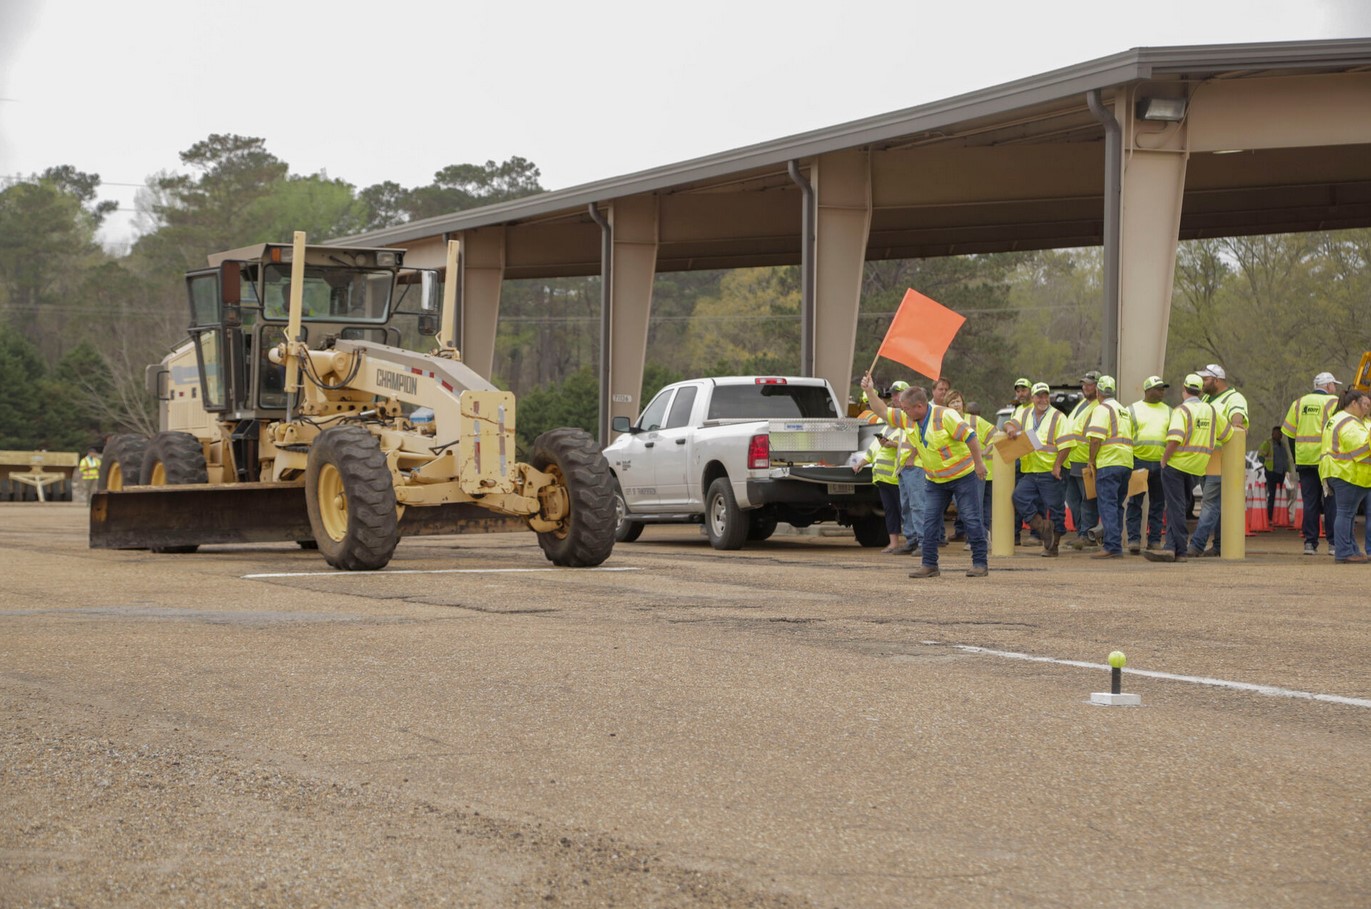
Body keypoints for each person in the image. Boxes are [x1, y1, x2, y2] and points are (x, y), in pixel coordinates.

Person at [860, 375, 989, 578]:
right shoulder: (908, 418)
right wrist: (869, 391)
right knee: (929, 521)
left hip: (963, 476)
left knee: (971, 518)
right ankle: (929, 565)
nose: (903, 412)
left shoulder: (945, 416)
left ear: (919, 406)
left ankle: (980, 563)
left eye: (906, 409)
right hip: (935, 480)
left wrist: (979, 464)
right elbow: (882, 411)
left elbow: (971, 437)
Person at [1142, 373, 1234, 563]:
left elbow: (1175, 438)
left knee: (1175, 507)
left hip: (1176, 464)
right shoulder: (1212, 411)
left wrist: (1164, 459)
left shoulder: (1181, 411)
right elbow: (1227, 434)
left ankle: (1181, 550)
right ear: (1200, 391)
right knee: (1177, 506)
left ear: (1184, 389)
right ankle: (1170, 548)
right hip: (1196, 467)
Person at [1187, 364, 1248, 557]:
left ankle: (1196, 545)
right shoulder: (1205, 399)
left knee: (1210, 503)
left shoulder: (1234, 398)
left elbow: (1237, 417)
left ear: (1217, 380)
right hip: (1206, 459)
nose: (1202, 383)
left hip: (1222, 459)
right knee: (1217, 505)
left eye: (1205, 379)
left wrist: (1236, 423)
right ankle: (1220, 545)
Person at [1008, 382, 1072, 557]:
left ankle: (1052, 547)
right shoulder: (1025, 413)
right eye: (1039, 396)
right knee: (1019, 496)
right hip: (1031, 470)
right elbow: (1011, 423)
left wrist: (1057, 465)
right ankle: (1043, 527)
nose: (1043, 399)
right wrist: (1010, 428)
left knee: (1055, 508)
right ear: (1033, 398)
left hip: (1051, 471)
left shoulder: (1058, 417)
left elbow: (1067, 445)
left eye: (1046, 396)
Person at [1283, 371, 1341, 555]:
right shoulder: (1334, 402)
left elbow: (1289, 434)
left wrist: (1296, 458)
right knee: (1331, 502)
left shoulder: (1298, 403)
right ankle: (1333, 544)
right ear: (1328, 385)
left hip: (1304, 460)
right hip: (1326, 460)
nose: (1335, 388)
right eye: (1334, 385)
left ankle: (1310, 543)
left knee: (1310, 503)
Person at [1083, 376, 1134, 558]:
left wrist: (1091, 460)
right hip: (1126, 462)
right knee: (1117, 505)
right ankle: (1115, 545)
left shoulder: (1101, 409)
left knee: (1107, 505)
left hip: (1109, 462)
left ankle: (1112, 546)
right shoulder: (1124, 410)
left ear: (1098, 392)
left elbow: (1095, 439)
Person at [1319, 388, 1371, 564]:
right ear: (1354, 403)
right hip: (1346, 473)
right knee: (1345, 513)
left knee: (1347, 513)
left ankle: (1351, 549)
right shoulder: (1349, 423)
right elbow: (1360, 450)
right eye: (1364, 405)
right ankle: (1344, 551)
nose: (1367, 409)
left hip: (1337, 471)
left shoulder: (1338, 419)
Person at [1125, 376, 1171, 554]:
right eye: (1158, 389)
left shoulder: (1169, 411)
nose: (1162, 392)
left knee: (1158, 504)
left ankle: (1154, 541)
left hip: (1161, 463)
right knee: (1135, 502)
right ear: (1147, 390)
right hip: (1138, 461)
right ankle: (1134, 540)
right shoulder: (1132, 410)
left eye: (1163, 389)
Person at [853, 410, 909, 553]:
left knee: (904, 511)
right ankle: (893, 543)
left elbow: (907, 447)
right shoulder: (884, 430)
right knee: (890, 511)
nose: (887, 418)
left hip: (896, 479)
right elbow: (872, 451)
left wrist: (893, 444)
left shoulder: (903, 431)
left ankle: (912, 541)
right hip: (882, 480)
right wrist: (860, 463)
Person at [1063, 371, 1101, 550]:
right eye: (1084, 384)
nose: (1085, 387)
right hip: (1071, 460)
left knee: (1087, 501)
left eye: (1090, 384)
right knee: (1074, 501)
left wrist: (1091, 461)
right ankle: (1081, 533)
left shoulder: (1098, 407)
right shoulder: (1082, 404)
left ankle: (1087, 535)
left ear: (1098, 386)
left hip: (1085, 461)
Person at [964, 401, 996, 539]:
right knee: (985, 506)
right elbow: (996, 434)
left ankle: (979, 536)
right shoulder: (979, 423)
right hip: (989, 471)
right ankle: (984, 534)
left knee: (976, 505)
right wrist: (986, 451)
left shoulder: (973, 422)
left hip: (979, 472)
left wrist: (983, 452)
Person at [1256, 425, 1290, 525]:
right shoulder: (1268, 443)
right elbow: (1260, 455)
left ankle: (1278, 515)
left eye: (1280, 433)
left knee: (1280, 495)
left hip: (1281, 472)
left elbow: (1286, 459)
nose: (1279, 435)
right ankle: (1270, 516)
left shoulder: (1283, 445)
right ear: (1272, 434)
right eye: (1277, 433)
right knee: (1273, 494)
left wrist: (1287, 470)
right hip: (1271, 472)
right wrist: (1266, 464)